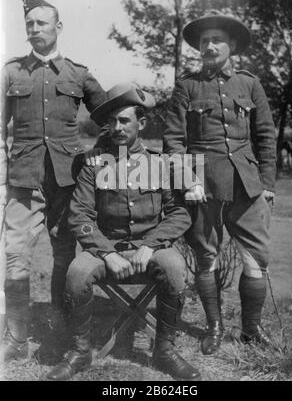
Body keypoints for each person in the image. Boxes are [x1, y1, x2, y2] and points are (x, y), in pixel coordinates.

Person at [46, 82, 201, 381]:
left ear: (141, 123)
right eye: (111, 121)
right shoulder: (94, 164)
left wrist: (152, 245)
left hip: (150, 247)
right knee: (78, 273)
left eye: (124, 120)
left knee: (174, 267)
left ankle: (164, 350)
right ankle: (80, 351)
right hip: (106, 247)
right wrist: (104, 251)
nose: (116, 127)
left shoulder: (159, 163)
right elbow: (80, 215)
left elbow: (180, 213)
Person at [163, 10, 276, 355]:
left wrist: (267, 183)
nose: (209, 46)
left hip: (247, 183)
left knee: (257, 258)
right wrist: (187, 181)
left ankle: (251, 330)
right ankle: (213, 327)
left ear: (231, 45)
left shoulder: (249, 83)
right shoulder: (187, 85)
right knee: (206, 256)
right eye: (204, 41)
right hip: (203, 185)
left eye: (217, 40)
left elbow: (266, 135)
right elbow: (174, 141)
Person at [0, 0, 106, 362]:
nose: (34, 30)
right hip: (23, 180)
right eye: (29, 24)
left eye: (41, 23)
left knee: (64, 255)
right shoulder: (11, 72)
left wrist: (95, 163)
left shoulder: (77, 73)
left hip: (67, 180)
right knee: (15, 256)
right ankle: (15, 337)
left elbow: (109, 117)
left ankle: (61, 330)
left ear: (58, 28)